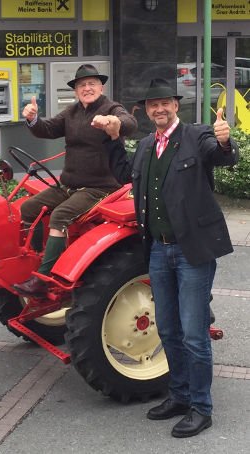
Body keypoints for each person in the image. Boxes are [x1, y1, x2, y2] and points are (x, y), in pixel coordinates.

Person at [96, 78, 239, 438]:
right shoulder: (146, 145)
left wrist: (225, 141)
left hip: (192, 250)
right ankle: (179, 395)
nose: (159, 109)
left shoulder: (198, 135)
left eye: (165, 103)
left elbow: (221, 155)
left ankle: (201, 408)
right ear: (147, 110)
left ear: (176, 105)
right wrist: (113, 140)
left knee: (193, 334)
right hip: (158, 250)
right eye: (153, 104)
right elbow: (126, 175)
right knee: (169, 330)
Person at [12, 64, 137, 297]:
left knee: (60, 216)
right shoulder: (71, 112)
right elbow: (48, 129)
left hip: (100, 187)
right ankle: (38, 257)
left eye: (91, 84)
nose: (87, 88)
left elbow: (129, 122)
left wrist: (114, 123)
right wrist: (32, 118)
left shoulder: (111, 108)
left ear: (101, 87)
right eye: (82, 85)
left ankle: (44, 279)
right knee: (28, 208)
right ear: (76, 90)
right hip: (69, 184)